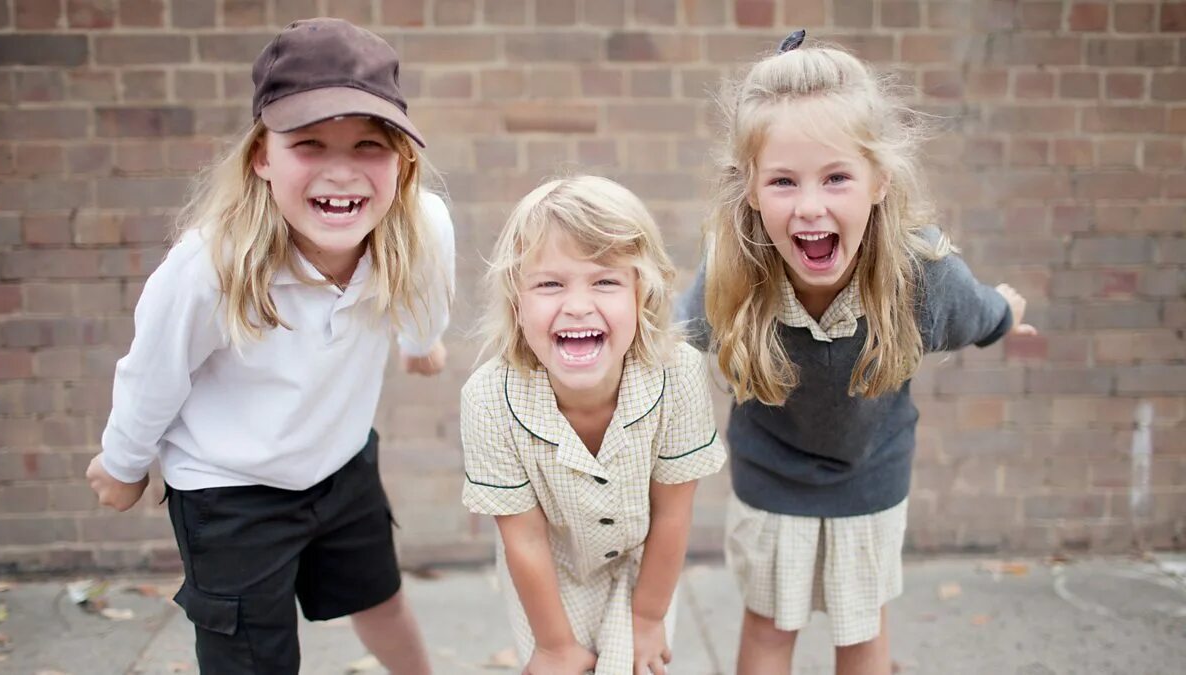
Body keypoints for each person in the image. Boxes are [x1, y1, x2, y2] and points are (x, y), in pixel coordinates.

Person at [85, 18, 454, 674]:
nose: (341, 171)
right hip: (230, 490)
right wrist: (122, 462)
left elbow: (427, 290)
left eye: (369, 144)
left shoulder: (421, 224)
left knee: (380, 598)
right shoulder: (211, 264)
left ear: (403, 160)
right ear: (262, 156)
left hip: (339, 464)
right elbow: (153, 372)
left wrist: (421, 342)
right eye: (309, 143)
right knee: (254, 650)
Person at [677, 31, 1037, 675]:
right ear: (751, 192)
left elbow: (980, 313)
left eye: (836, 177)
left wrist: (1009, 312)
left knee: (862, 629)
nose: (810, 206)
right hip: (770, 477)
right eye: (783, 181)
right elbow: (671, 337)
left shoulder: (922, 277)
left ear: (879, 181)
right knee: (768, 626)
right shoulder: (733, 274)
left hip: (871, 476)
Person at [461, 176, 726, 674]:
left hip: (641, 564)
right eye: (550, 283)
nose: (578, 305)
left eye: (605, 281)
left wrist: (648, 618)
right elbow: (525, 539)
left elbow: (672, 514)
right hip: (549, 571)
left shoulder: (678, 374)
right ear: (517, 304)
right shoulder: (488, 399)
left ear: (641, 293)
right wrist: (555, 646)